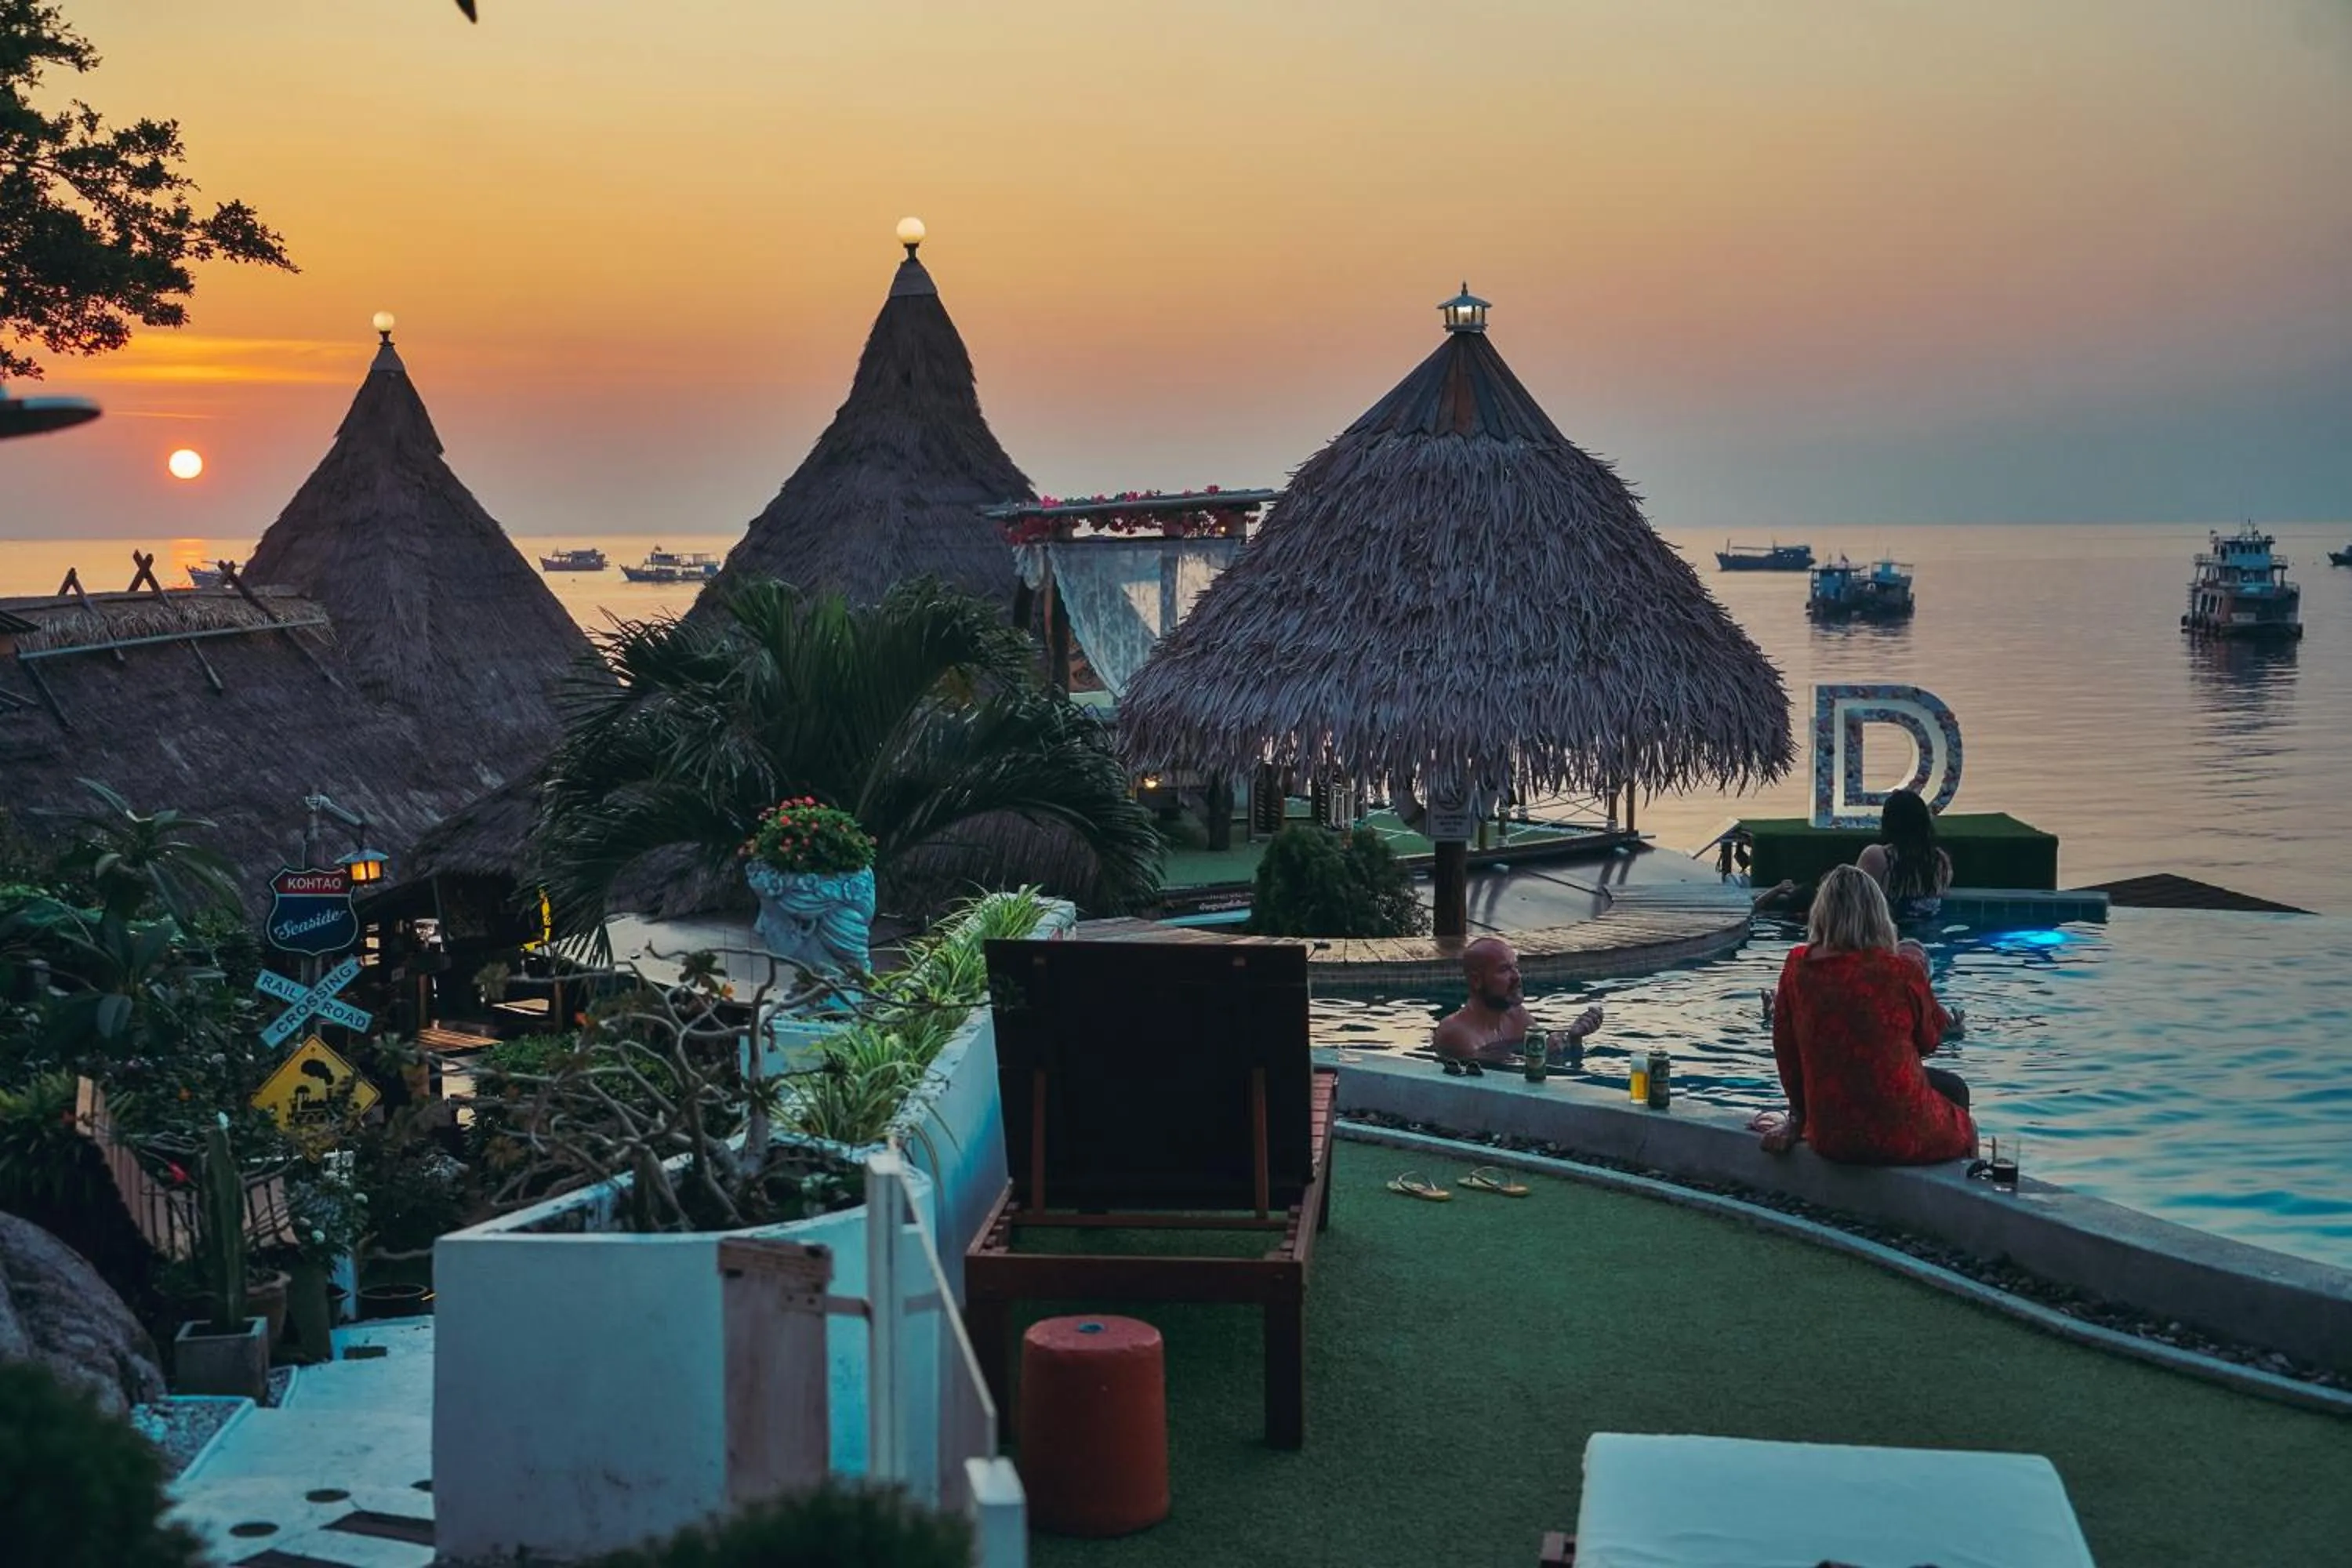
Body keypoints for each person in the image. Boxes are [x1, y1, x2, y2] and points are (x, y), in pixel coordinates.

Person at [1757, 866, 1973, 1164]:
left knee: (1948, 1087)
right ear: (1878, 914)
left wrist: (1798, 1118)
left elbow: (1786, 1052)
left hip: (1829, 1133)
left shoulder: (1797, 966)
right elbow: (1928, 1041)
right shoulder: (1901, 971)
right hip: (1898, 1133)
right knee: (1963, 1117)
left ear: (1821, 914)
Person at [1431, 936, 1603, 1073]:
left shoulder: (1517, 1016)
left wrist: (1574, 1040)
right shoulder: (1456, 1032)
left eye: (1515, 967)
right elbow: (1502, 1075)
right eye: (1504, 970)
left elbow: (1548, 1064)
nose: (1516, 977)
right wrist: (1544, 1054)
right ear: (1476, 980)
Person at [1857, 788, 1952, 922]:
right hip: (1929, 935)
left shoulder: (1876, 856)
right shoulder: (1940, 860)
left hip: (1887, 936)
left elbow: (1855, 904)